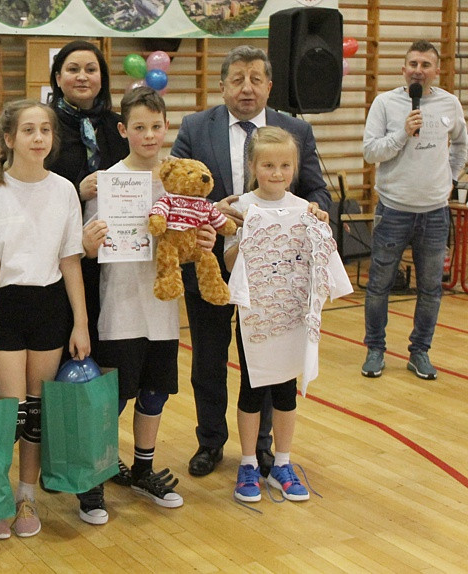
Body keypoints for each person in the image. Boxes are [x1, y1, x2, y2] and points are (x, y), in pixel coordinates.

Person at [171, 45, 331, 479]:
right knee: (207, 358)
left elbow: (318, 190)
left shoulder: (294, 129)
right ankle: (210, 442)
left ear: (270, 85)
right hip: (210, 266)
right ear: (221, 85)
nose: (247, 87)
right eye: (237, 79)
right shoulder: (194, 127)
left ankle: (260, 446)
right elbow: (177, 194)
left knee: (262, 359)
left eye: (256, 78)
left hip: (271, 275)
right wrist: (211, 209)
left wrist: (315, 212)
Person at [0, 100, 91, 539]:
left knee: (36, 412)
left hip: (50, 306)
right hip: (6, 309)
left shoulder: (63, 190)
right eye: (28, 131)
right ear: (8, 139)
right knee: (9, 413)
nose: (38, 138)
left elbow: (71, 261)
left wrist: (81, 323)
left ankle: (25, 496)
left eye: (45, 130)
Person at [83, 87, 184, 514]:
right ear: (123, 129)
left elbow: (190, 239)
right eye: (139, 127)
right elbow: (87, 248)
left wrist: (201, 238)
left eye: (156, 127)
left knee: (155, 392)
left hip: (162, 310)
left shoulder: (179, 179)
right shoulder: (106, 182)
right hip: (120, 308)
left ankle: (142, 470)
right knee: (113, 398)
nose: (148, 135)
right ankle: (92, 478)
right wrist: (88, 243)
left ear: (166, 128)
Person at [221, 127, 335, 503]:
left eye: (285, 165)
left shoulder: (305, 210)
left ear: (295, 167)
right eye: (268, 165)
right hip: (255, 317)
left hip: (291, 316)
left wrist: (320, 225)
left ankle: (282, 463)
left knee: (286, 391)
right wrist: (246, 238)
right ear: (253, 166)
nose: (276, 173)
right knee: (251, 392)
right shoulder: (240, 209)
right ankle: (250, 463)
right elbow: (228, 262)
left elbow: (320, 258)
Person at [48, 39, 130, 523]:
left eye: (92, 69)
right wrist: (76, 193)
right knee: (68, 365)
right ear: (58, 76)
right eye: (73, 69)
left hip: (114, 265)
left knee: (107, 365)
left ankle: (97, 453)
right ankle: (73, 465)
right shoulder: (44, 127)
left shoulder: (116, 125)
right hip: (59, 266)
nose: (83, 77)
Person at [361, 40, 467, 380]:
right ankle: (375, 349)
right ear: (403, 69)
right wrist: (402, 134)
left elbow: (462, 142)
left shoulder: (449, 103)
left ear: (436, 70)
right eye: (412, 64)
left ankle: (419, 351)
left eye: (425, 64)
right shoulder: (385, 103)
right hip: (393, 210)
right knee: (379, 286)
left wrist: (451, 177)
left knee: (431, 289)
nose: (418, 70)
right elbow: (370, 152)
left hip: (435, 212)